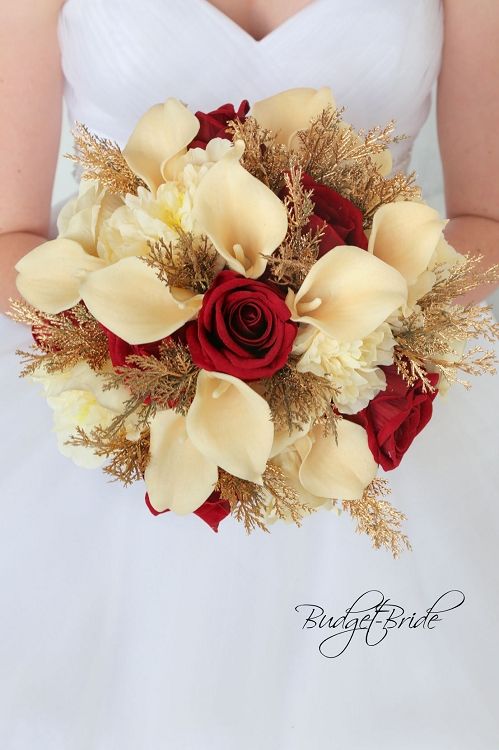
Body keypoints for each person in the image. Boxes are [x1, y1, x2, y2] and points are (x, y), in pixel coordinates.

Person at [0, 2, 498, 748]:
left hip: (364, 392)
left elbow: (483, 220)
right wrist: (153, 351)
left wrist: (348, 341)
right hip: (128, 404)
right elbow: (12, 240)